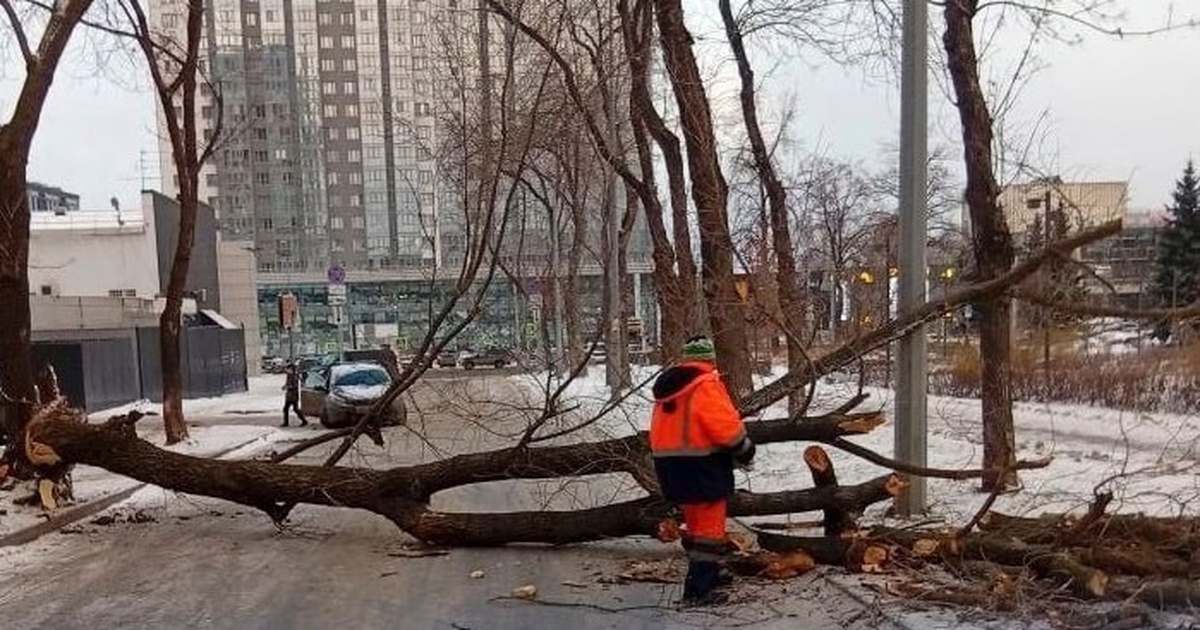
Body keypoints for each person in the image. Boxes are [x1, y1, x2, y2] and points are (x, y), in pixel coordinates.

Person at [649, 335, 756, 606]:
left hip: (670, 465)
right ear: (710, 359)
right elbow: (722, 425)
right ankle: (699, 590)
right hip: (701, 465)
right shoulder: (705, 384)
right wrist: (744, 448)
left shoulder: (670, 388)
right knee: (710, 529)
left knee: (696, 525)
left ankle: (713, 571)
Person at [281, 363, 307, 427]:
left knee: (293, 409)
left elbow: (294, 386)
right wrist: (285, 386)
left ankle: (303, 421)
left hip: (293, 395)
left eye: (288, 369)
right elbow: (288, 384)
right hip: (289, 395)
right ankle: (286, 422)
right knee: (288, 409)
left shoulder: (294, 376)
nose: (287, 370)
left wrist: (287, 387)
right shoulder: (289, 376)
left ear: (292, 369)